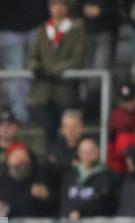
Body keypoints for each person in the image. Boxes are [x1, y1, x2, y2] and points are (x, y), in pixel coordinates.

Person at [27, 0, 86, 146]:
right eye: (54, 5)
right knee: (48, 129)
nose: (57, 9)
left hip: (65, 91)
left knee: (69, 131)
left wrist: (56, 70)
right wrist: (37, 67)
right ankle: (51, 159)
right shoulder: (42, 30)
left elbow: (78, 58)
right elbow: (32, 57)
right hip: (44, 92)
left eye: (61, 5)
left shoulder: (76, 30)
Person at [62, 137, 117, 223]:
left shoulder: (108, 177)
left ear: (97, 152)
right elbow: (64, 199)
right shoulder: (71, 175)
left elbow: (103, 201)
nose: (87, 155)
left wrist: (80, 210)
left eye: (91, 151)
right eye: (83, 151)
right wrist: (70, 210)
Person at [0, 0, 49, 123]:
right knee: (14, 75)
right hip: (7, 28)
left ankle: (33, 115)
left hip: (36, 25)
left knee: (37, 71)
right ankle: (19, 117)